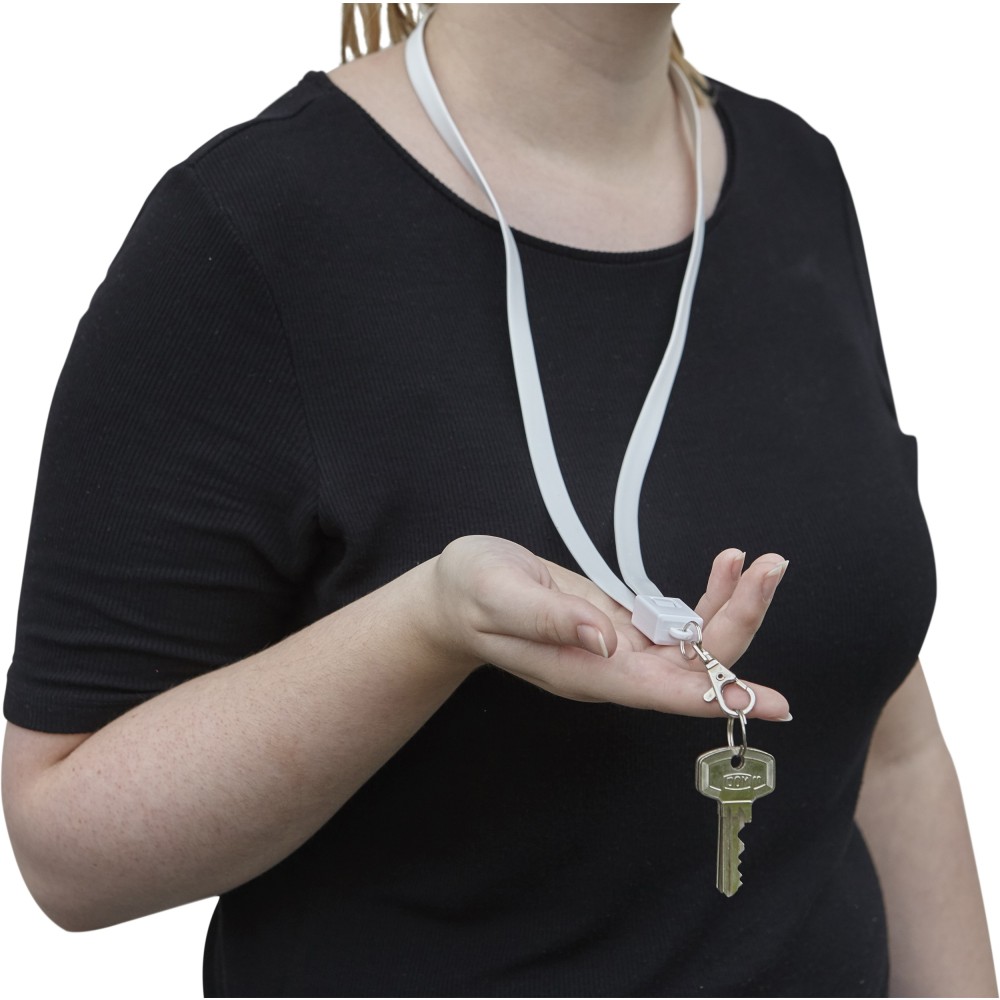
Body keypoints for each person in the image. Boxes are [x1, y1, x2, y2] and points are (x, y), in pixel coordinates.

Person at [2, 3, 995, 996]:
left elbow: (890, 748)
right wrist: (426, 628)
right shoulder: (250, 228)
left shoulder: (795, 173)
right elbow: (64, 849)